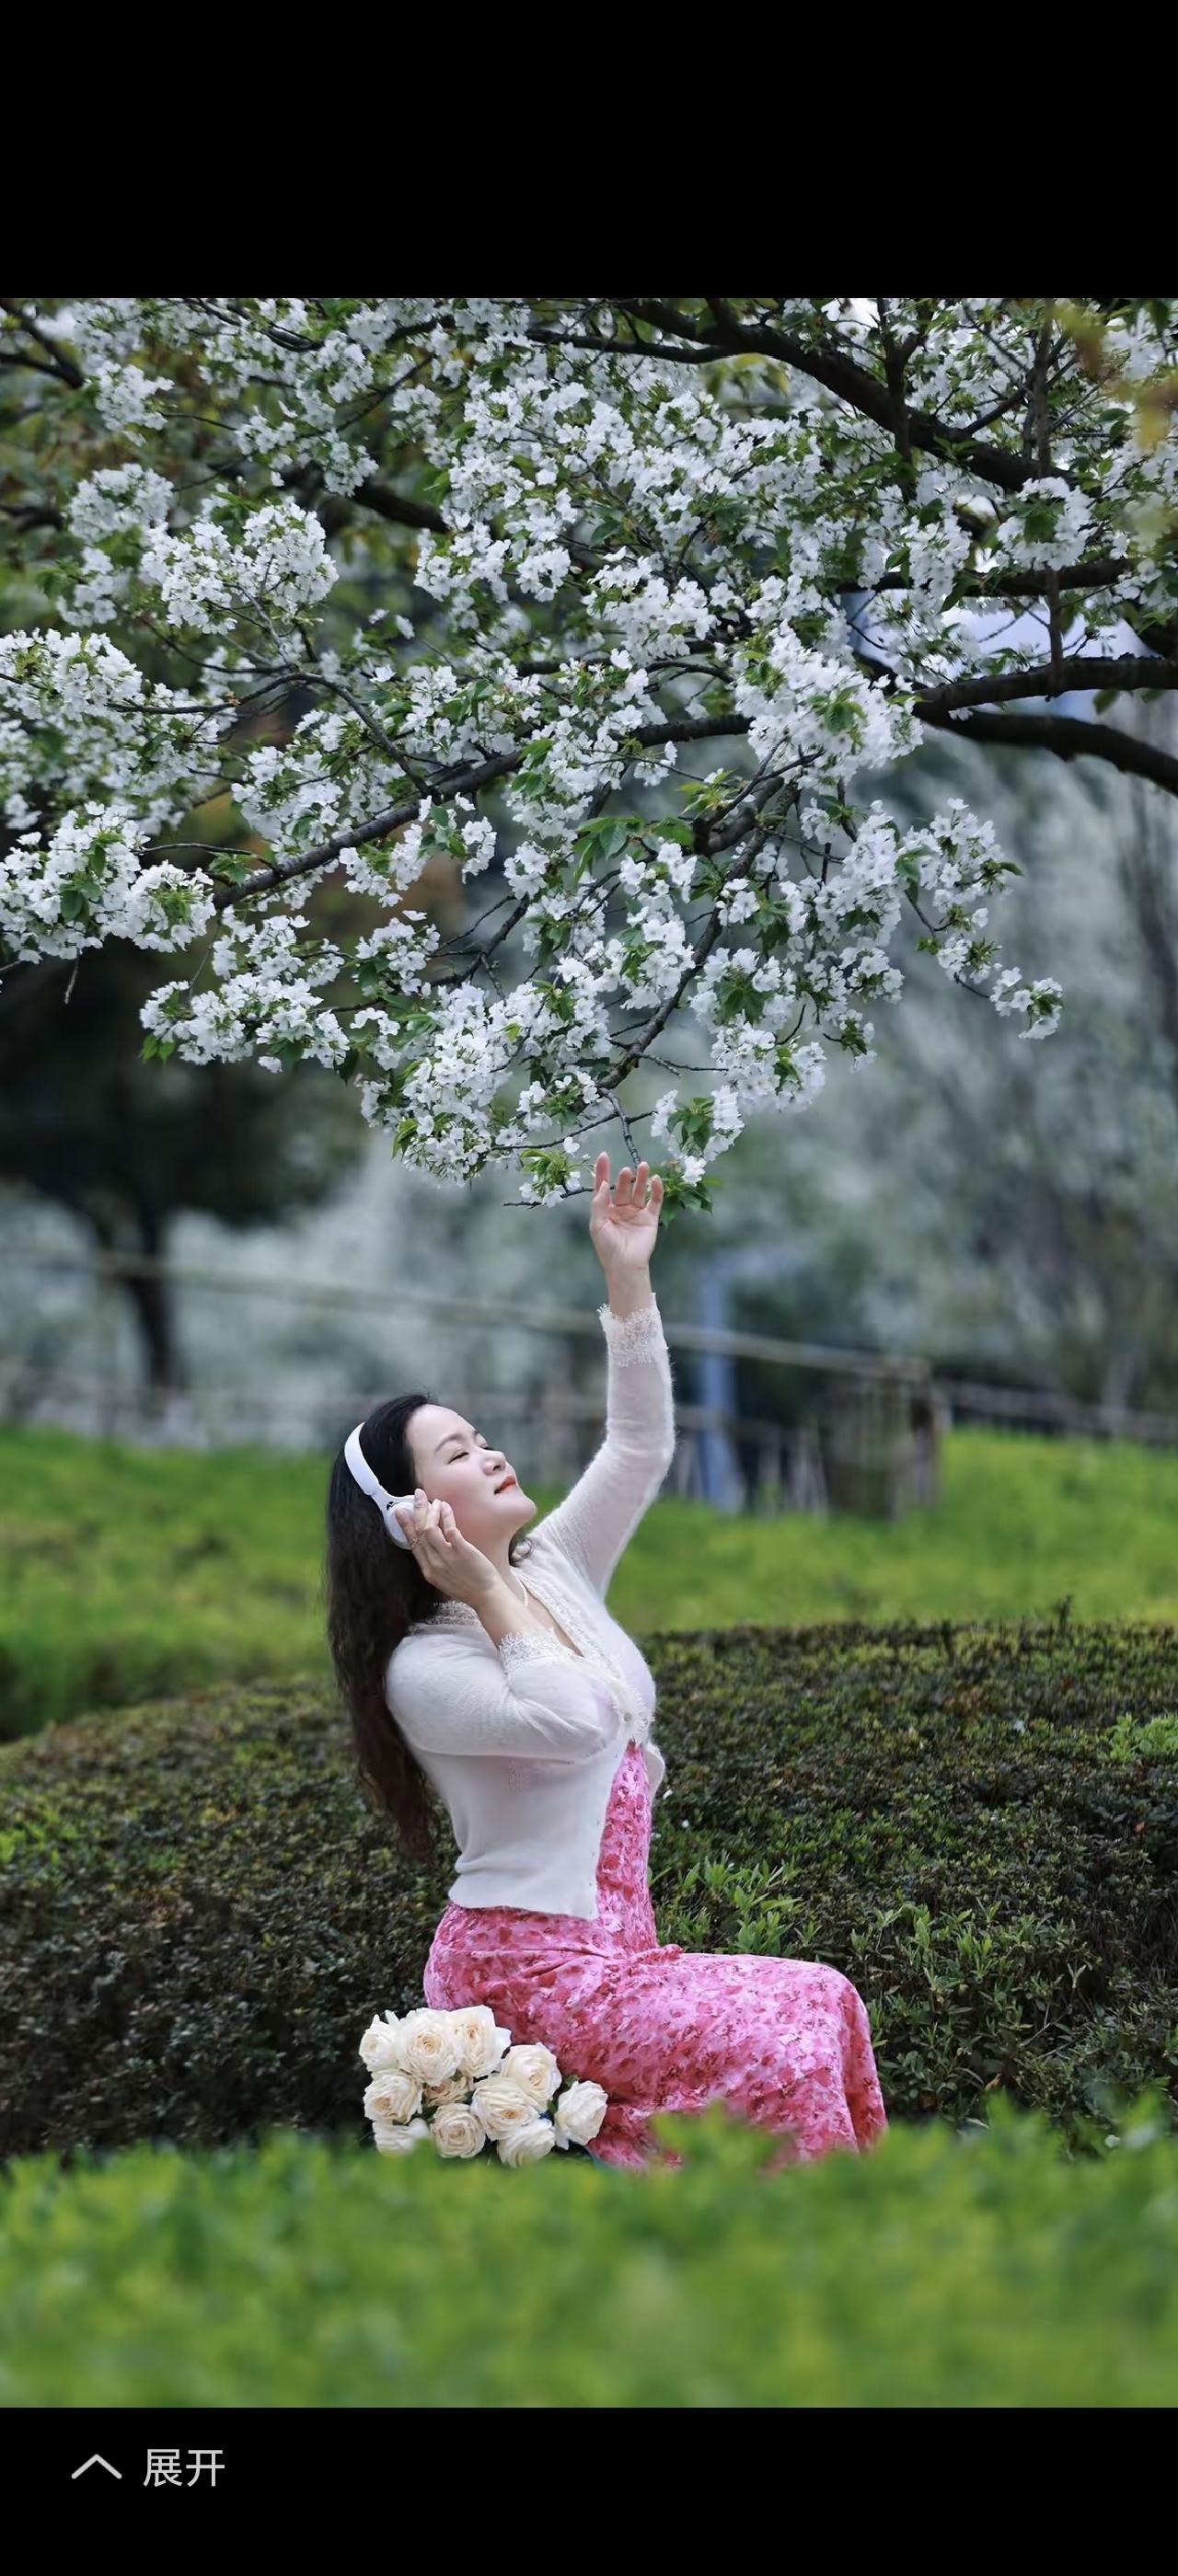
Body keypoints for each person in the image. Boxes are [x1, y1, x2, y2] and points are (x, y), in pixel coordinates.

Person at [325, 1153, 887, 2171]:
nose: (490, 1453)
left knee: (825, 1996)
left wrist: (625, 1276)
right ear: (413, 1518)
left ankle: (857, 2244)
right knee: (782, 2037)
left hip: (619, 1958)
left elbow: (636, 1445)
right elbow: (576, 1718)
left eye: (479, 1435)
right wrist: (488, 1592)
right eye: (457, 1454)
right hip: (523, 1973)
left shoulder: (552, 1568)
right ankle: (810, 2260)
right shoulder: (423, 1667)